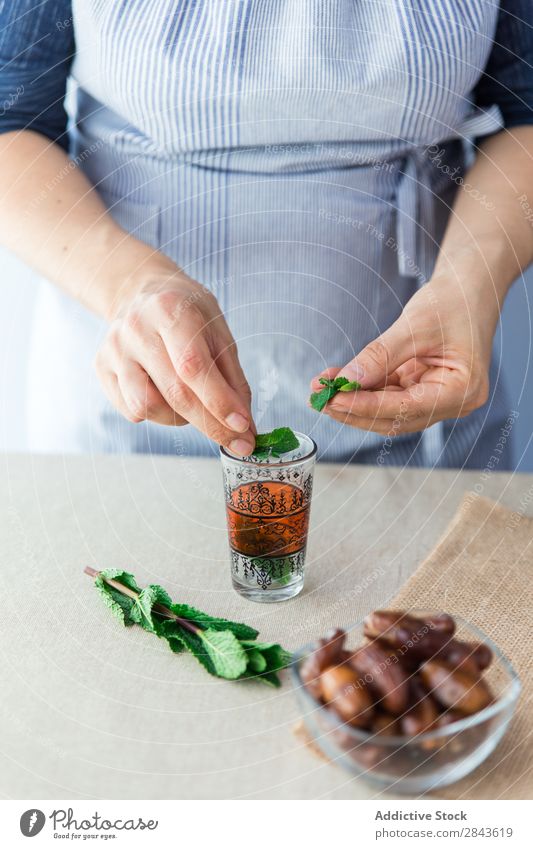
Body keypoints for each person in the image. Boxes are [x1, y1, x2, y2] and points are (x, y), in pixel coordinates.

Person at [0, 1, 531, 466]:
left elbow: (524, 109)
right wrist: (129, 285)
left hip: (425, 424)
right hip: (133, 431)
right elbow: (11, 122)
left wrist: (470, 288)